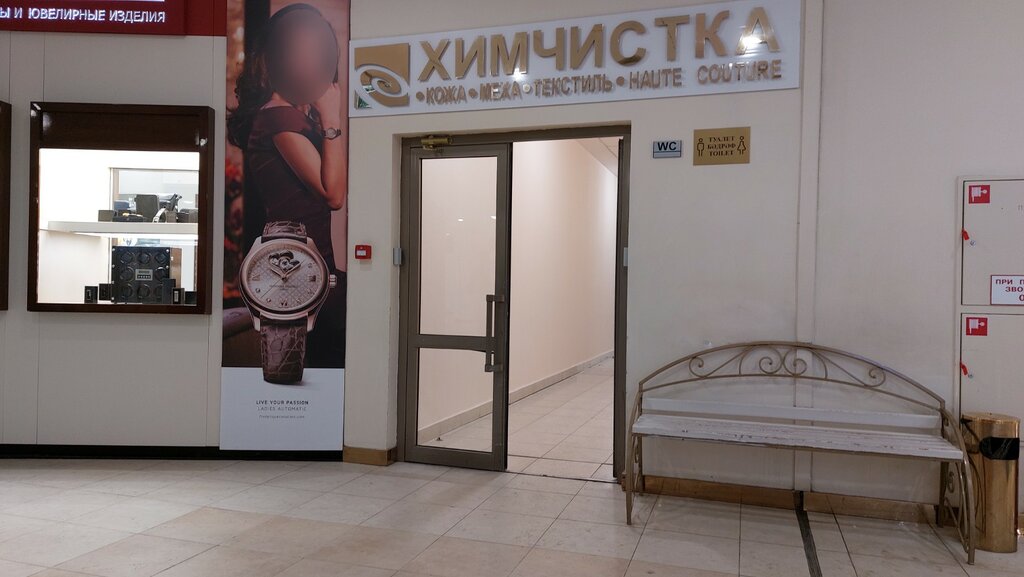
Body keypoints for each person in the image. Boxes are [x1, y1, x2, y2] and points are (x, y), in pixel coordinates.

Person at [227, 3, 347, 368]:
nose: (313, 65)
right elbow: (333, 194)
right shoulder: (279, 118)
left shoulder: (287, 114)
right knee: (316, 366)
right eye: (301, 53)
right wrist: (331, 117)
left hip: (304, 268)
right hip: (300, 272)